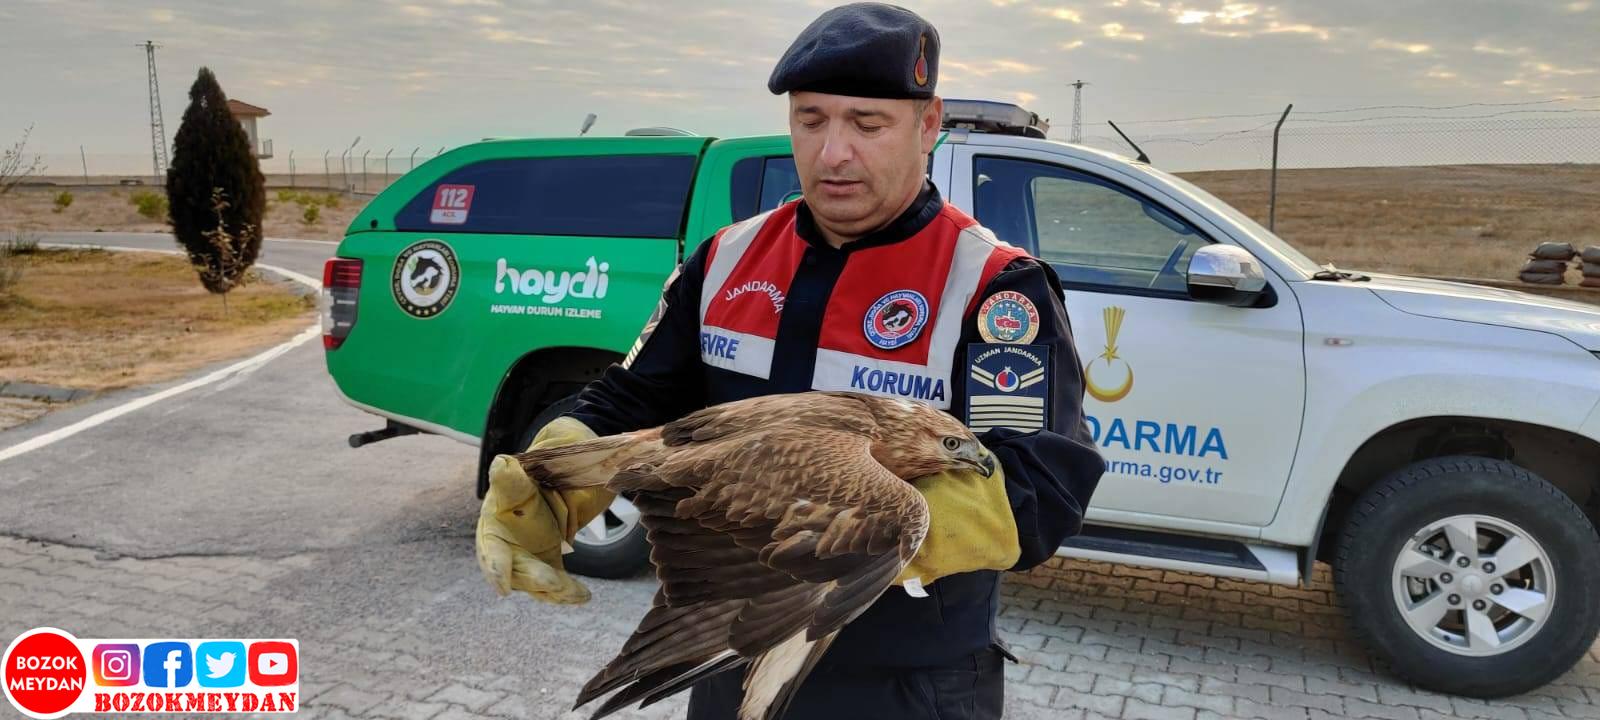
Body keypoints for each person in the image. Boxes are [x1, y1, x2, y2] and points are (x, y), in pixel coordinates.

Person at [475, 3, 1105, 718]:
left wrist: (856, 534)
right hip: (736, 648)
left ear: (928, 125)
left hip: (905, 683)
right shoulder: (725, 258)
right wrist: (552, 478)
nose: (833, 153)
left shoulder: (995, 288)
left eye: (867, 124)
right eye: (811, 120)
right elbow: (632, 401)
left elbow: (1039, 490)